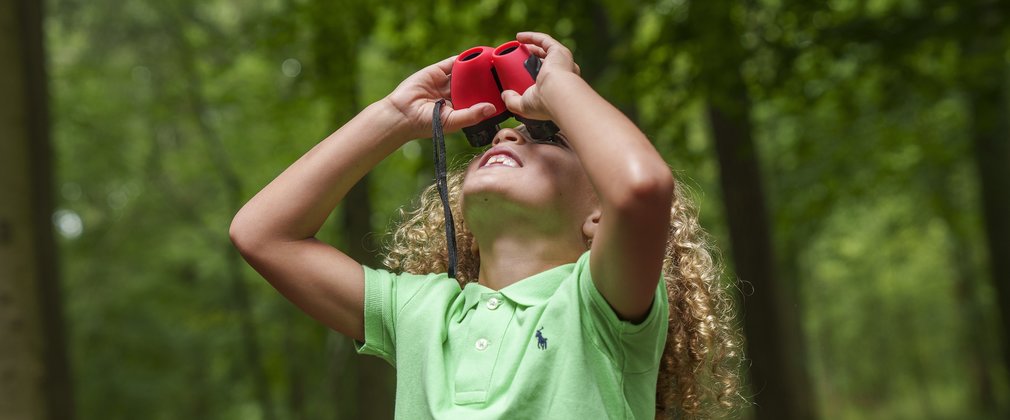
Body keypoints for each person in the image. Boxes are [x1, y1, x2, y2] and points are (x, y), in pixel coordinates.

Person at [231, 31, 743, 419]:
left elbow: (642, 187)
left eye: (545, 137)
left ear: (599, 214)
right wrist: (394, 116)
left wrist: (559, 85)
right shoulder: (422, 314)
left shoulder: (598, 308)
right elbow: (262, 234)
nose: (506, 137)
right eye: (496, 135)